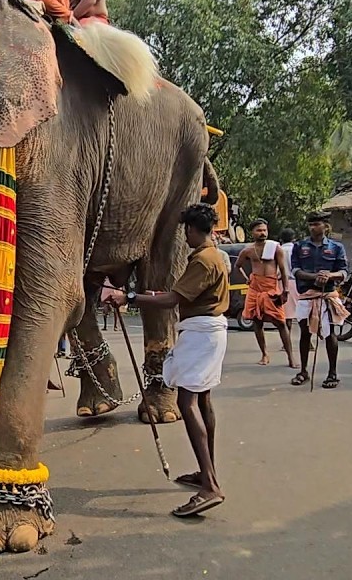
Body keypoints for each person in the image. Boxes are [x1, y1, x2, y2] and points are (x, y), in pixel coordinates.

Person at [106, 203, 228, 517]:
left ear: (192, 229)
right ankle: (207, 472)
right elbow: (183, 295)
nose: (185, 235)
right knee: (203, 400)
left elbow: (172, 300)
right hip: (211, 331)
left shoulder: (202, 260)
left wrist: (128, 297)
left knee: (186, 403)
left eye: (186, 230)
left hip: (200, 334)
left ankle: (210, 486)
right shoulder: (215, 256)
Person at [290, 211, 349, 389]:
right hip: (306, 295)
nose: (313, 227)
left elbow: (343, 272)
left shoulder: (336, 247)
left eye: (317, 224)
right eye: (311, 224)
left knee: (330, 334)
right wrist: (314, 276)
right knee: (304, 333)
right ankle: (303, 371)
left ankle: (333, 373)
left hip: (327, 296)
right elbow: (295, 271)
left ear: (325, 226)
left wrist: (329, 276)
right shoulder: (299, 246)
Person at [235, 219, 296, 367]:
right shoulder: (248, 250)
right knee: (257, 323)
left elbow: (283, 270)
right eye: (259, 230)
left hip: (271, 289)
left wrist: (286, 290)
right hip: (255, 289)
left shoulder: (275, 248)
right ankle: (264, 354)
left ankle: (291, 358)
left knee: (281, 323)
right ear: (252, 233)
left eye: (264, 230)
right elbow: (238, 266)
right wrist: (247, 278)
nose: (262, 233)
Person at [279, 228, 299, 346]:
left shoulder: (279, 250)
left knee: (286, 315)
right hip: (297, 282)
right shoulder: (297, 249)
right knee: (302, 313)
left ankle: (287, 341)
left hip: (282, 283)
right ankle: (308, 340)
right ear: (294, 238)